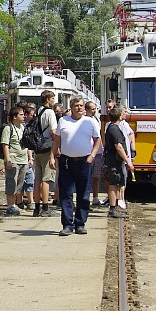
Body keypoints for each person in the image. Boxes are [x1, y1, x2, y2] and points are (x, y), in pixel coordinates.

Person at [53, 97, 102, 236]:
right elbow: (57, 140)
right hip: (66, 161)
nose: (79, 108)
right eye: (76, 105)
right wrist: (52, 156)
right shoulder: (63, 121)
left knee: (84, 194)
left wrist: (92, 155)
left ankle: (80, 224)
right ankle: (67, 224)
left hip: (84, 162)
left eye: (81, 106)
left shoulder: (90, 122)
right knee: (66, 194)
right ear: (71, 107)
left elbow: (97, 140)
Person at [31, 91, 58, 218]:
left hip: (37, 148)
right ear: (47, 99)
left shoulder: (38, 111)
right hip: (47, 148)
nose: (53, 100)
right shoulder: (49, 112)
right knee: (47, 179)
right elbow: (53, 131)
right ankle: (45, 207)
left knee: (37, 179)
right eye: (52, 98)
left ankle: (36, 207)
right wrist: (57, 148)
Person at [104, 106, 133, 218]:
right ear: (119, 116)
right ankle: (112, 209)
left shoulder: (112, 127)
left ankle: (114, 207)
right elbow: (119, 146)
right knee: (114, 184)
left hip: (114, 160)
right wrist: (128, 161)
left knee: (116, 183)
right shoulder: (114, 129)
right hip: (114, 161)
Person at [0, 107, 29, 214]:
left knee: (19, 183)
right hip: (13, 159)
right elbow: (5, 145)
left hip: (23, 160)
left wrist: (29, 158)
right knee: (11, 181)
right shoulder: (8, 128)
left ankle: (15, 203)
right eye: (21, 115)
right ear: (15, 116)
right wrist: (8, 160)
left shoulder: (22, 127)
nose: (24, 116)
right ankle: (10, 205)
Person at [86, 101, 106, 206]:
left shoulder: (96, 119)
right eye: (92, 109)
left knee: (96, 176)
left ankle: (95, 197)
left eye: (95, 109)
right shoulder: (85, 121)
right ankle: (86, 198)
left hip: (98, 152)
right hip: (89, 152)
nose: (94, 111)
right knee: (88, 176)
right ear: (87, 110)